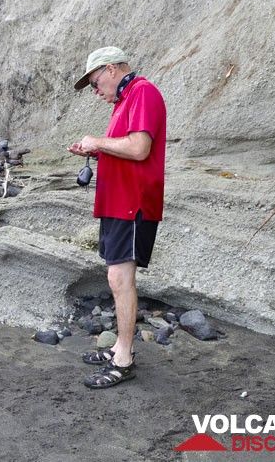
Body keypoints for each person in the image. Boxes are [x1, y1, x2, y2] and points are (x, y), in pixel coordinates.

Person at [68, 47, 167, 389]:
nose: (96, 92)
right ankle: (118, 347)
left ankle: (123, 357)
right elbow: (124, 146)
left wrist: (97, 140)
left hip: (133, 202)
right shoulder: (124, 102)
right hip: (118, 202)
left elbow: (140, 148)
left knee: (120, 279)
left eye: (96, 83)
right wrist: (97, 148)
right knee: (115, 277)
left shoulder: (142, 91)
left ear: (111, 69)